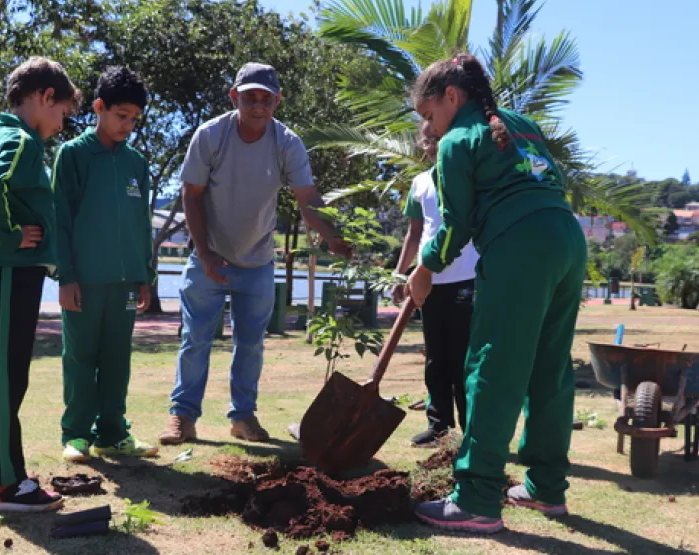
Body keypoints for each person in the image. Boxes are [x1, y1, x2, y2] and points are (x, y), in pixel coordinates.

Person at [405, 53, 587, 534]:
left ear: (451, 97)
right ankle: (547, 487)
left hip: (520, 248)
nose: (431, 128)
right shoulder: (521, 123)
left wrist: (426, 268)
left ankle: (478, 498)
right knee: (549, 367)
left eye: (428, 116)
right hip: (566, 240)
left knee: (492, 366)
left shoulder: (459, 141)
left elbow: (456, 223)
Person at [159, 62, 351, 445]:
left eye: (266, 98)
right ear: (235, 97)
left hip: (258, 261)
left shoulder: (287, 142)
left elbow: (307, 198)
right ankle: (182, 417)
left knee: (250, 344)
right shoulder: (211, 135)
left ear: (277, 101)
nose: (258, 106)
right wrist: (205, 254)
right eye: (250, 97)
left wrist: (333, 236)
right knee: (195, 339)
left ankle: (242, 417)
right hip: (207, 259)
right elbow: (190, 197)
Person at [0, 56, 81, 512]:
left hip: (7, 271)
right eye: (63, 113)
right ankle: (6, 484)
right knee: (6, 375)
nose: (61, 124)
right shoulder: (20, 140)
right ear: (45, 97)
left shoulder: (2, 136)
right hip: (11, 269)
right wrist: (9, 235)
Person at [53, 67, 158, 462]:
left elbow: (141, 224)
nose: (127, 125)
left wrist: (146, 276)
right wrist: (65, 277)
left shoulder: (137, 164)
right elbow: (59, 220)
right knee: (80, 357)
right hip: (83, 281)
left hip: (128, 282)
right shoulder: (73, 155)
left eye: (134, 119)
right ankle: (76, 435)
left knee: (117, 359)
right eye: (121, 116)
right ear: (99, 107)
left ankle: (113, 433)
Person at [391, 120, 478, 448]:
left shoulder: (468, 180)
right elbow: (415, 233)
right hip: (427, 281)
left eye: (438, 138)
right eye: (427, 141)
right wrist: (402, 274)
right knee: (436, 357)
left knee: (463, 358)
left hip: (467, 279)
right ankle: (438, 425)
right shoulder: (420, 183)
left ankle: (472, 430)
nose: (432, 145)